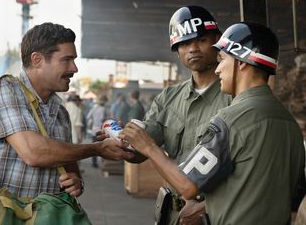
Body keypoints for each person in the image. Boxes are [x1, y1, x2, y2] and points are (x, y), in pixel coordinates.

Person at [120, 22, 305, 224]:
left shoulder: (232, 119)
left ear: (241, 62)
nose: (218, 69)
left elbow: (187, 184)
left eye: (222, 59)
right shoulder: (290, 124)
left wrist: (148, 146)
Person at [0, 22, 133, 198]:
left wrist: (75, 182)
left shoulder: (61, 112)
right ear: (37, 60)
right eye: (66, 60)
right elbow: (33, 153)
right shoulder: (5, 89)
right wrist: (96, 149)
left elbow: (70, 169)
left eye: (73, 60)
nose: (74, 68)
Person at [113, 6, 231, 224]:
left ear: (217, 41)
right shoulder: (168, 98)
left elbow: (248, 169)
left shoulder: (233, 98)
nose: (193, 49)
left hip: (213, 215)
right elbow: (140, 151)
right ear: (177, 51)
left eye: (201, 40)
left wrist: (208, 207)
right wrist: (121, 143)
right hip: (171, 213)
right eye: (185, 44)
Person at [86, 94, 108, 167]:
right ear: (104, 101)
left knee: (94, 147)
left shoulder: (94, 107)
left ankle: (94, 163)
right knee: (103, 146)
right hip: (101, 130)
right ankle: (103, 163)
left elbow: (88, 117)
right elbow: (102, 119)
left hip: (94, 130)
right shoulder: (103, 109)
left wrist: (93, 120)